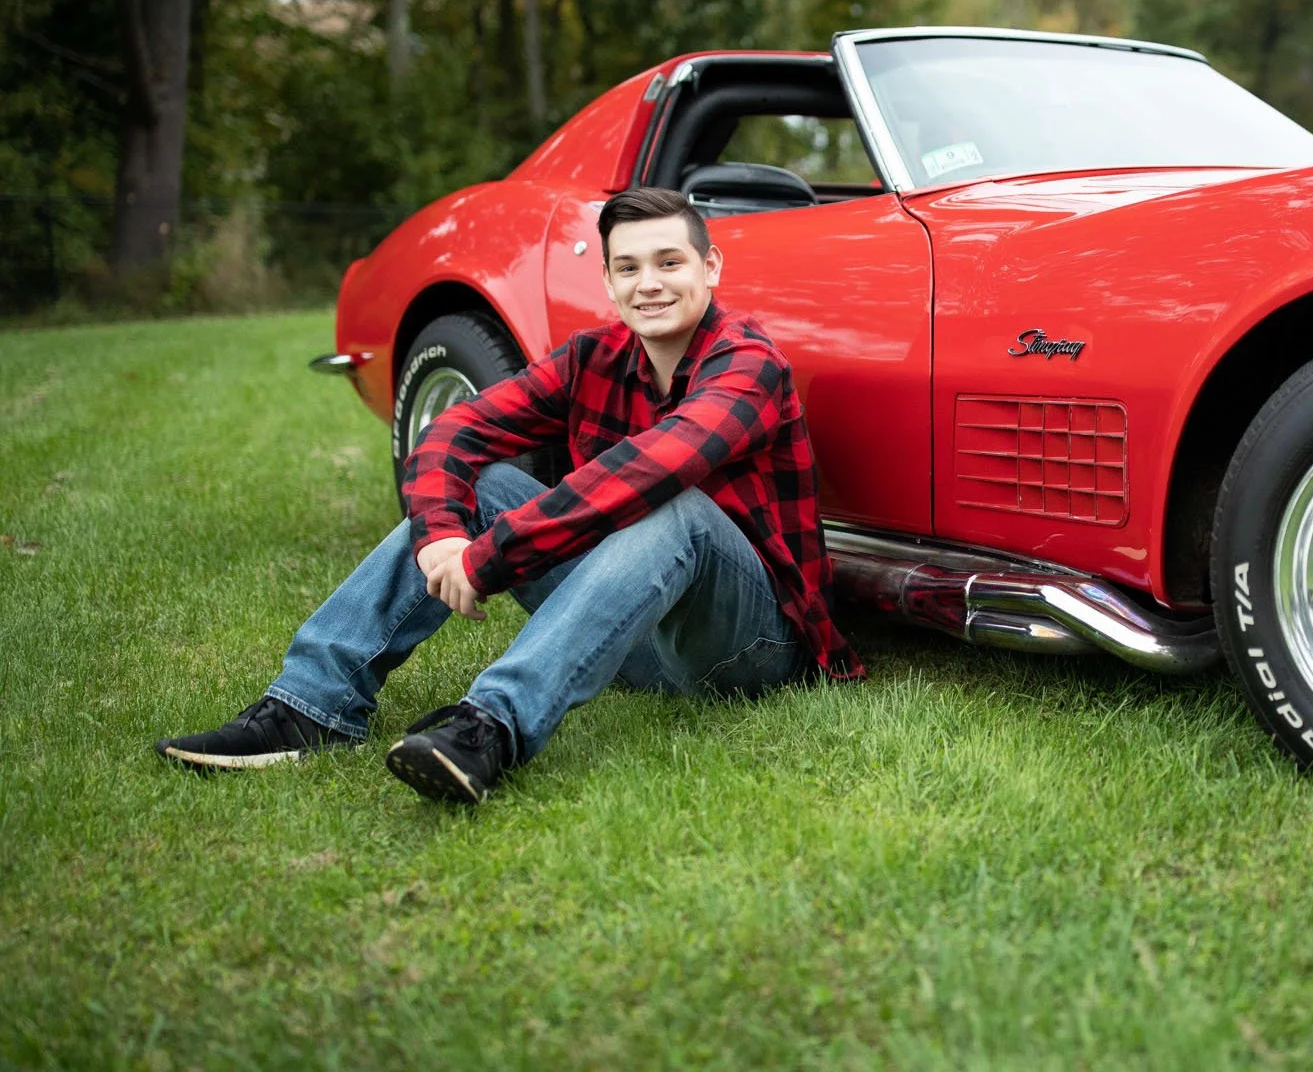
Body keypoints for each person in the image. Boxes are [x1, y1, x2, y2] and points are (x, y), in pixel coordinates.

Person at [155, 186, 862, 803]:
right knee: (483, 482)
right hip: (632, 634)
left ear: (709, 268)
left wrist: (490, 559)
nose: (649, 282)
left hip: (752, 646)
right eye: (629, 267)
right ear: (611, 284)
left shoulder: (749, 363)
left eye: (669, 262)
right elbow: (452, 432)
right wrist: (442, 537)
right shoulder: (594, 358)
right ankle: (312, 704)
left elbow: (650, 469)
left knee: (672, 504)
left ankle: (488, 726)